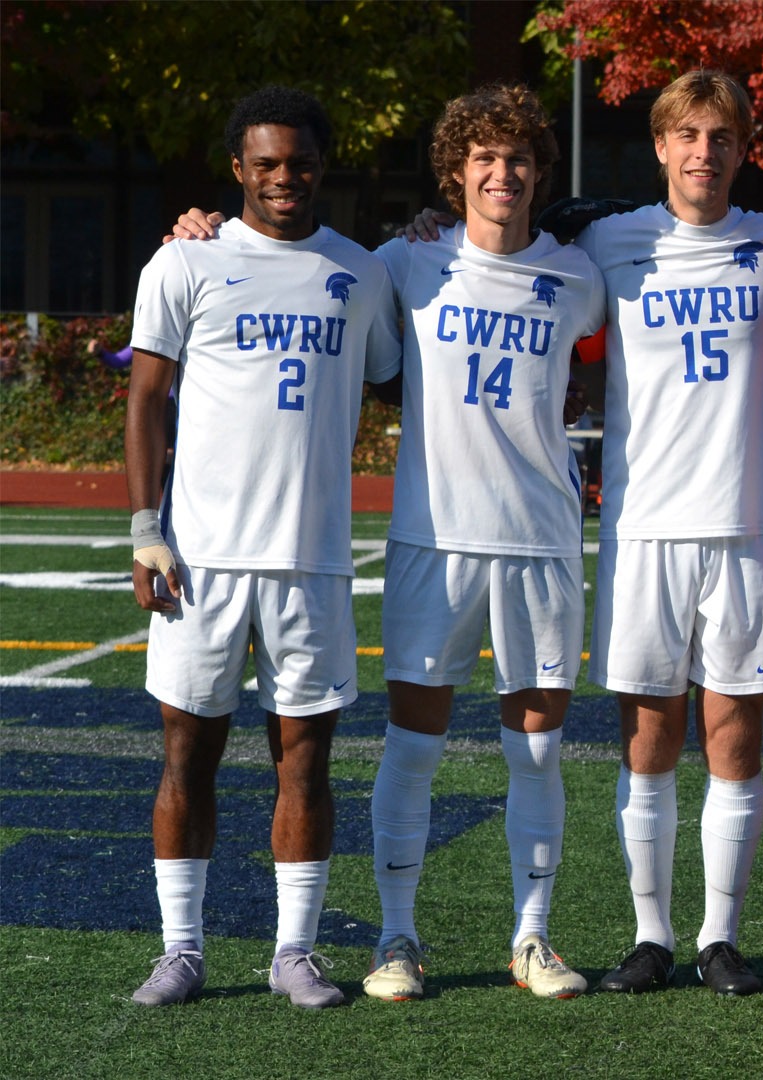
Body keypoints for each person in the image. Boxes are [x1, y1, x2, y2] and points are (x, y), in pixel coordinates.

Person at [170, 86, 608, 1001]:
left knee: (536, 751)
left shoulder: (582, 274)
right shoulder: (405, 263)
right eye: (483, 158)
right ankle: (396, 941)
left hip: (542, 543)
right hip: (431, 540)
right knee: (413, 747)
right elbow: (312, 292)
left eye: (519, 157)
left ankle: (533, 937)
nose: (503, 173)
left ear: (540, 170)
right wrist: (200, 228)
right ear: (454, 172)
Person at [125, 85, 401, 1008]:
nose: (287, 177)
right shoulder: (187, 262)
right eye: (267, 163)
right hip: (200, 561)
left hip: (313, 561)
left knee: (306, 762)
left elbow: (396, 376)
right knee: (186, 757)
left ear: (324, 165)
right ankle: (182, 951)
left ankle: (294, 954)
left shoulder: (362, 273)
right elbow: (146, 401)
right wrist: (142, 529)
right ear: (239, 169)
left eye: (302, 161)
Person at [569, 71, 763, 998]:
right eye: (687, 136)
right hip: (644, 527)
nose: (703, 153)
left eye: (720, 137)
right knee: (647, 736)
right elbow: (506, 252)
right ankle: (651, 937)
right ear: (661, 146)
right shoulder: (608, 241)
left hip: (749, 522)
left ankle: (719, 937)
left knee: (734, 739)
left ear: (743, 147)